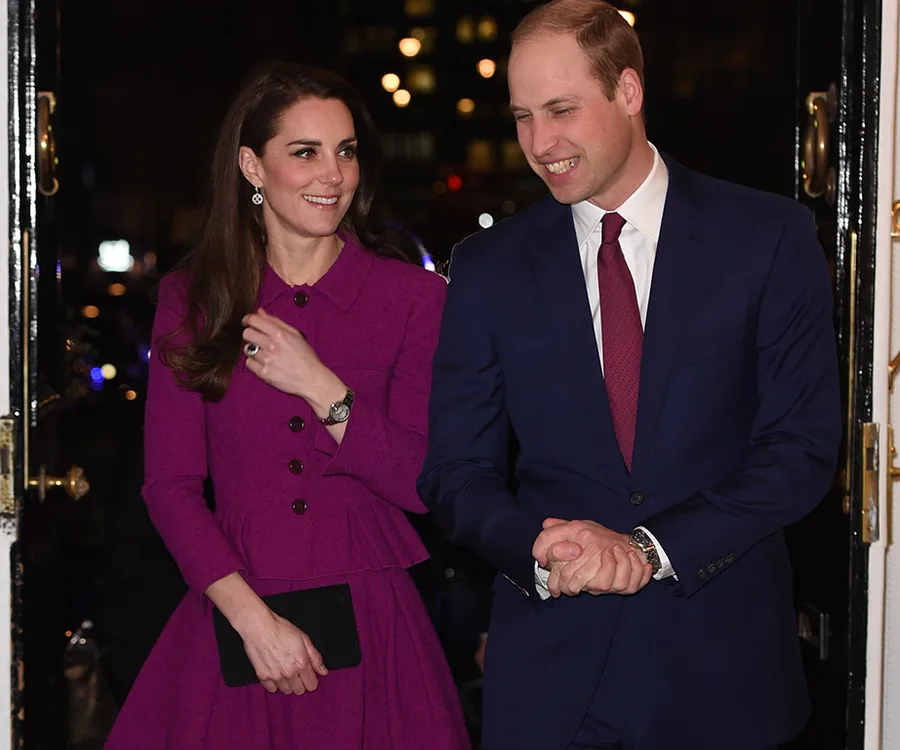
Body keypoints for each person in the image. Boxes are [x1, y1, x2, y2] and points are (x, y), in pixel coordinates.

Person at [417, 2, 841, 749]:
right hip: (551, 680)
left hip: (724, 673)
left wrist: (646, 548)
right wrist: (537, 547)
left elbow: (799, 451)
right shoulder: (487, 268)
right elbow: (455, 472)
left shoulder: (767, 238)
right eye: (522, 117)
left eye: (561, 109)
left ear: (629, 92)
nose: (540, 143)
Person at [105, 61, 469, 750]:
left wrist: (321, 385)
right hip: (236, 610)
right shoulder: (195, 299)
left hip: (374, 619)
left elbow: (426, 482)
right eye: (305, 152)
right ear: (251, 164)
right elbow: (170, 486)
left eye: (346, 150)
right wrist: (253, 622)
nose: (332, 175)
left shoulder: (415, 301)